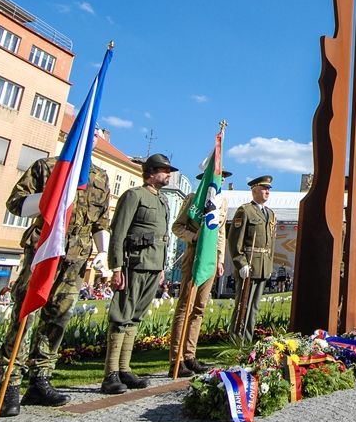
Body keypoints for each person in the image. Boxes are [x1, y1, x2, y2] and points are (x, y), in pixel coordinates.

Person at [0, 155, 110, 417]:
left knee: (58, 318)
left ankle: (40, 379)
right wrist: (53, 193)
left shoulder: (99, 176)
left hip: (76, 258)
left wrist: (103, 252)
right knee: (26, 313)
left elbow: (101, 221)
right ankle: (10, 382)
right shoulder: (49, 167)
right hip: (44, 251)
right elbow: (16, 203)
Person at [101, 153, 175, 394]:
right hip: (133, 265)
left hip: (153, 266)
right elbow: (119, 233)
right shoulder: (134, 195)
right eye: (164, 170)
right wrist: (116, 267)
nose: (168, 174)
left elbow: (162, 239)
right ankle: (110, 373)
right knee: (122, 315)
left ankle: (125, 368)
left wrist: (162, 267)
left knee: (135, 317)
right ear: (151, 172)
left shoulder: (162, 200)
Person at [169, 170, 229, 377]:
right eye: (218, 178)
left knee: (199, 308)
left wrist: (220, 259)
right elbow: (177, 226)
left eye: (223, 178)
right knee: (186, 305)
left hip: (210, 258)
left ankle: (190, 355)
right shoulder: (194, 199)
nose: (220, 181)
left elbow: (220, 233)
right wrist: (194, 238)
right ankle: (176, 358)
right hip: (194, 255)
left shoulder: (222, 202)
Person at [228, 175, 278, 344]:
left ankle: (247, 341)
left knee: (254, 307)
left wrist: (269, 264)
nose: (267, 192)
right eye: (264, 188)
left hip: (262, 266)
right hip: (249, 265)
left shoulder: (270, 214)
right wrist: (240, 262)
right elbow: (235, 240)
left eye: (268, 189)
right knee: (243, 305)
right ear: (254, 190)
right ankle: (236, 341)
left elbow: (271, 242)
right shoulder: (245, 210)